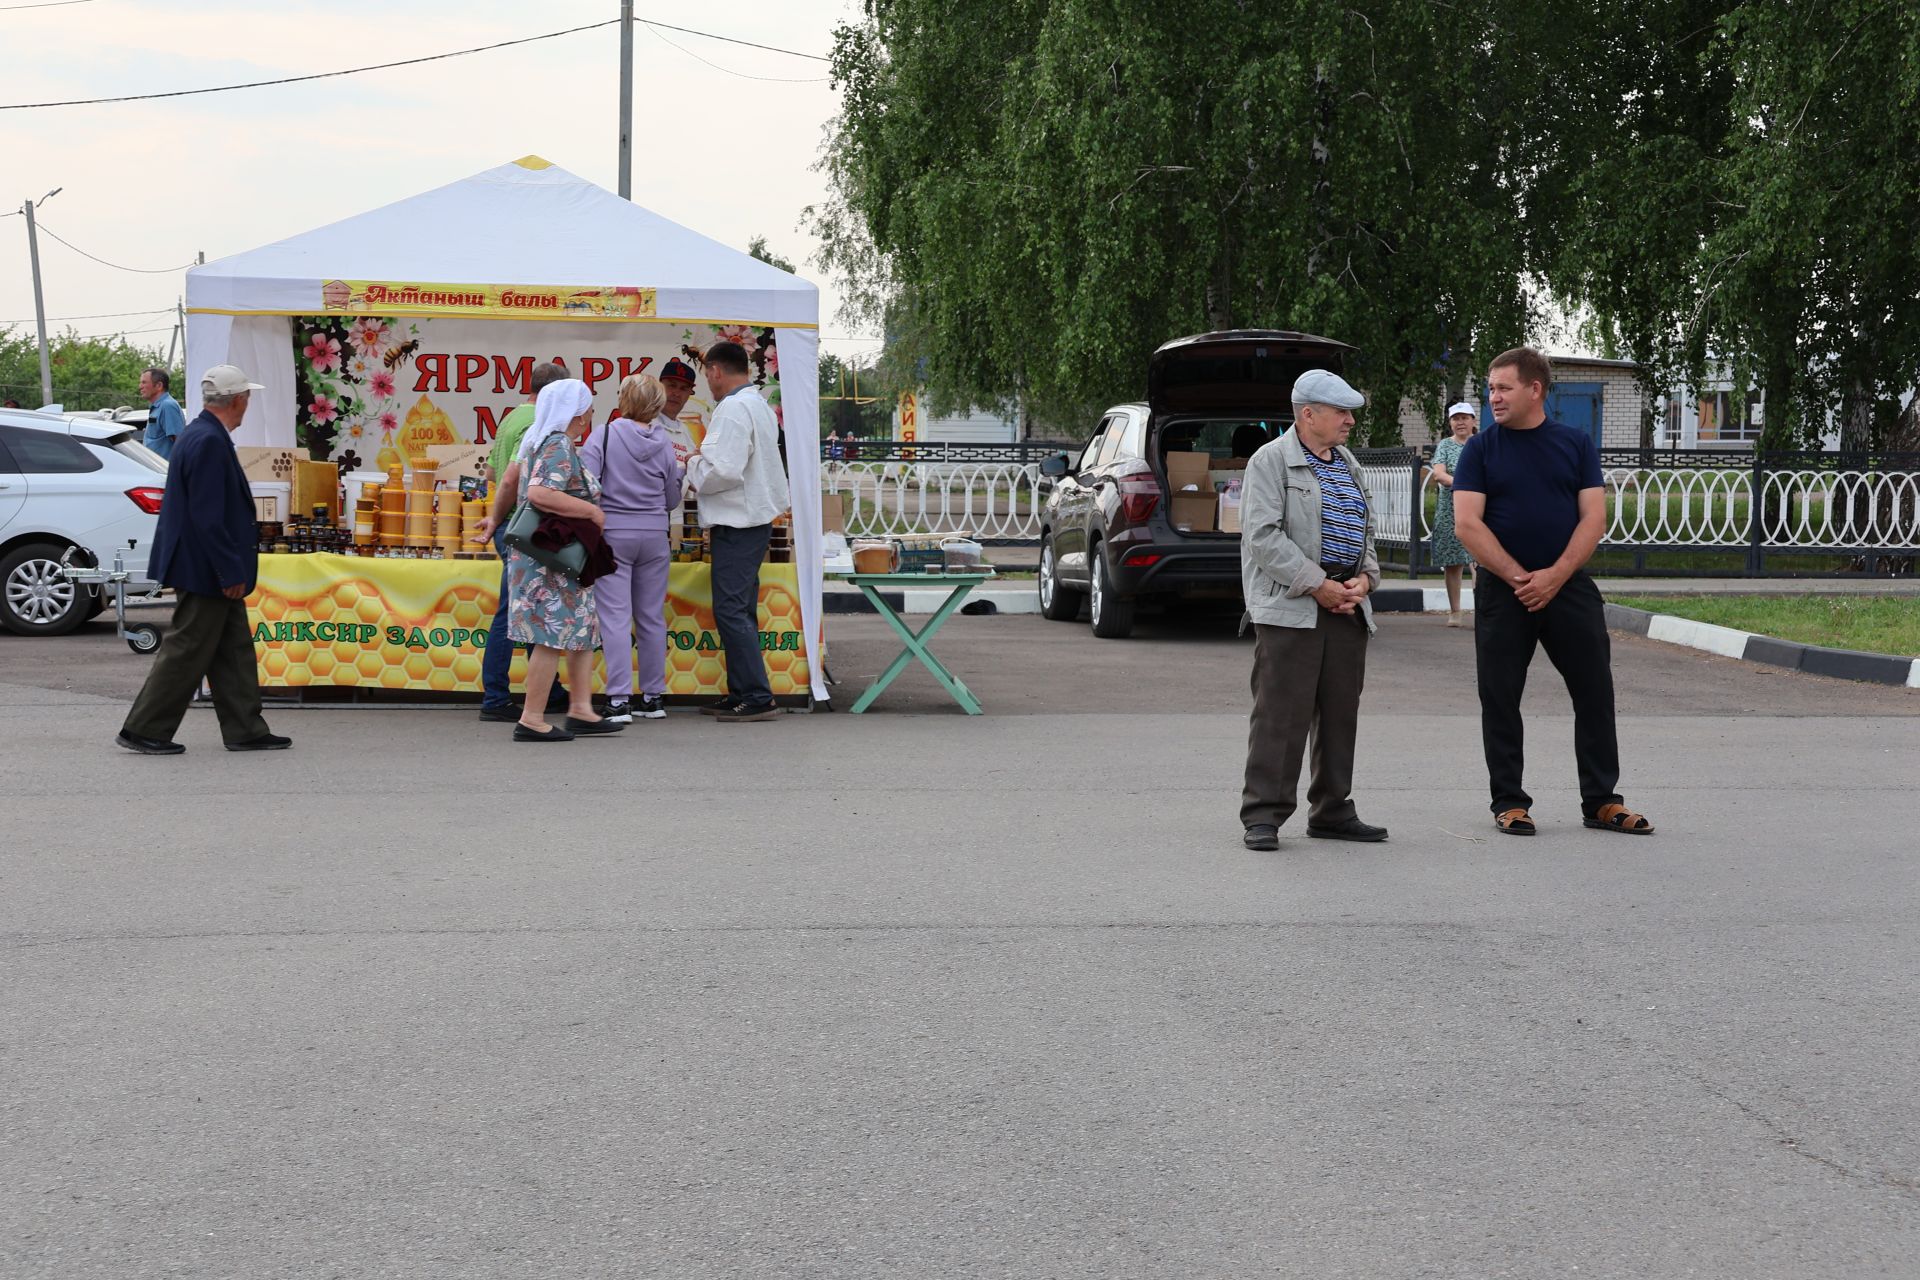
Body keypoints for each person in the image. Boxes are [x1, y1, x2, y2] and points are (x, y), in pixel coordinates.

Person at [1451, 347, 1653, 838]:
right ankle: (1510, 801)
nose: (1493, 398)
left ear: (1535, 389)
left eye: (1503, 388)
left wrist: (1555, 576)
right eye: (1491, 388)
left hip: (1568, 588)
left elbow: (1593, 518)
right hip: (1505, 592)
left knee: (1594, 692)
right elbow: (1467, 524)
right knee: (1499, 696)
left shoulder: (1575, 443)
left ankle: (1602, 801)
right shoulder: (1480, 449)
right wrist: (1521, 577)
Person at [1238, 369, 1387, 851]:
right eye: (1341, 412)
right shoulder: (1270, 462)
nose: (1350, 421)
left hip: (1346, 605)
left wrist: (1366, 578)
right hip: (1292, 607)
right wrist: (1317, 584)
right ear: (1308, 414)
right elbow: (1263, 539)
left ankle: (1332, 810)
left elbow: (1363, 530)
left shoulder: (1347, 463)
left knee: (1340, 712)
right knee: (1281, 713)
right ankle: (1263, 814)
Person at [116, 364, 289, 755]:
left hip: (203, 562)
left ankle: (245, 727)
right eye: (248, 398)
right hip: (206, 566)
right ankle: (144, 728)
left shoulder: (202, 434)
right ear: (239, 400)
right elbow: (208, 517)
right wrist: (228, 569)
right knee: (189, 646)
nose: (248, 405)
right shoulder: (208, 440)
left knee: (232, 648)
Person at [502, 379, 619, 743]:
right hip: (548, 560)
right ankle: (532, 718)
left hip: (554, 556)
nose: (590, 415)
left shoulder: (540, 441)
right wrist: (592, 513)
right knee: (550, 635)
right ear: (577, 412)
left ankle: (581, 708)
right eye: (588, 407)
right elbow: (541, 493)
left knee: (582, 629)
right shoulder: (557, 444)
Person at [685, 341, 788, 723]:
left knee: (730, 609)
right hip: (751, 519)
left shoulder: (731, 408)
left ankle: (757, 695)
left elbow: (724, 470)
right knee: (739, 608)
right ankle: (743, 691)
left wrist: (693, 467)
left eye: (706, 375)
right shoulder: (757, 404)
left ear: (715, 370)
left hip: (737, 521)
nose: (707, 382)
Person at [581, 373, 684, 722]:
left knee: (615, 617)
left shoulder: (604, 435)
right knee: (652, 616)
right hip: (655, 535)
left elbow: (587, 488)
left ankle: (619, 699)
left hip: (613, 535)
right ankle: (653, 697)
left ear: (623, 400)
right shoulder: (665, 443)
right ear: (656, 405)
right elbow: (672, 498)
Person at [474, 360, 569, 721]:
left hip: (511, 524)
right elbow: (511, 480)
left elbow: (493, 473)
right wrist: (499, 518)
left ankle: (550, 690)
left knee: (528, 609)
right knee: (512, 614)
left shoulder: (512, 417)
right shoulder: (534, 424)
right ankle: (496, 697)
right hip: (521, 525)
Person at [1426, 401, 1479, 626]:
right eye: (1456, 419)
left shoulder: (1481, 444)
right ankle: (1455, 611)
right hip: (1451, 509)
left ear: (1473, 421)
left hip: (1479, 507)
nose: (1460, 422)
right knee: (1453, 561)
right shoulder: (1446, 446)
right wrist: (1464, 485)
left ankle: (1483, 611)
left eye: (1465, 418)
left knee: (1479, 560)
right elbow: (1439, 474)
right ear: (1450, 423)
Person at [139, 367, 186, 461]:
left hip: (163, 472)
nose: (140, 386)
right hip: (155, 470)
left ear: (159, 386)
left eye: (144, 382)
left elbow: (180, 443)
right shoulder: (158, 406)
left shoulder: (167, 406)